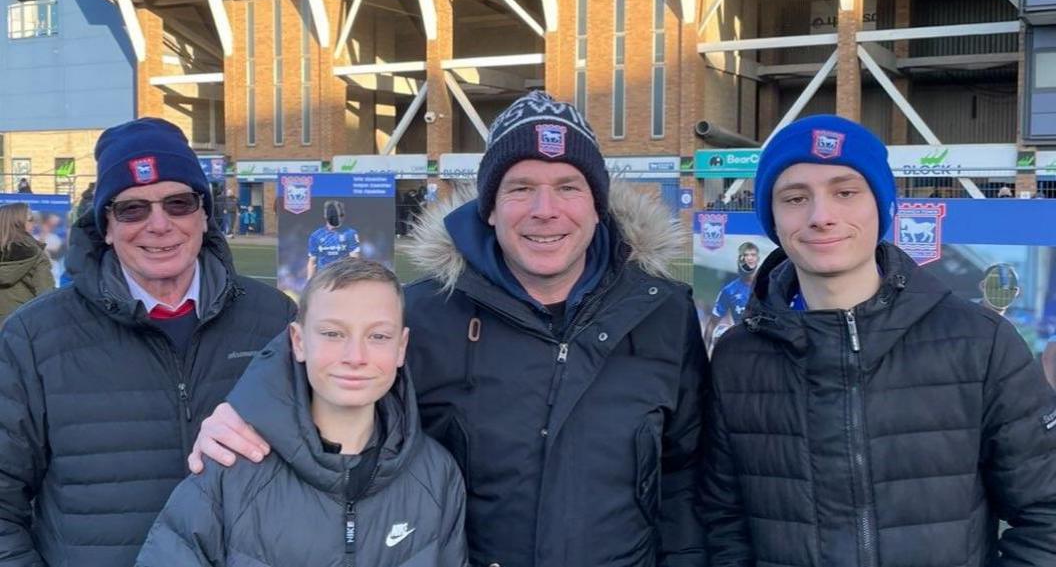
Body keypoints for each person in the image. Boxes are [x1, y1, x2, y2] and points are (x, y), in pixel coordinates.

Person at [191, 91, 708, 566]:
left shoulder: (663, 312)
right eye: (520, 188)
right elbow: (320, 365)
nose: (544, 210)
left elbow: (685, 476)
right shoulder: (424, 313)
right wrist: (241, 414)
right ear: (489, 209)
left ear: (597, 205)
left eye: (567, 187)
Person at [702, 114, 1056, 566]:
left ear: (881, 205)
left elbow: (1044, 513)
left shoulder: (980, 344)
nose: (821, 216)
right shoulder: (737, 359)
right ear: (772, 216)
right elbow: (723, 522)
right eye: (795, 197)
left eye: (845, 192)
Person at [0, 117, 296, 567]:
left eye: (178, 203)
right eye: (133, 209)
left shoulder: (275, 319)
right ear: (106, 225)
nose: (159, 225)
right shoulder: (34, 337)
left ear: (203, 213)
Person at [136, 258, 467, 566]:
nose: (355, 356)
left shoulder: (437, 474)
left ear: (401, 347)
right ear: (298, 341)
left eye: (378, 336)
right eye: (332, 334)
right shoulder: (229, 466)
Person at [0, 202, 54, 323]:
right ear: (17, 223)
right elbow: (45, 297)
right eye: (30, 220)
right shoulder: (36, 254)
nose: (34, 224)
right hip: (21, 324)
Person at [704, 241, 759, 352]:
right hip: (742, 347)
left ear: (757, 259)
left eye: (753, 255)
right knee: (720, 333)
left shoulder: (768, 284)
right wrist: (703, 358)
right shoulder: (729, 291)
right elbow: (711, 325)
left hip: (765, 346)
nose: (749, 258)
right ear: (739, 259)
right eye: (746, 255)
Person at [307, 199, 360, 279]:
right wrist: (309, 281)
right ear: (326, 216)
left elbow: (355, 259)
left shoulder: (350, 233)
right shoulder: (316, 235)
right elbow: (312, 261)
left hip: (343, 277)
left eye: (341, 215)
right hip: (323, 277)